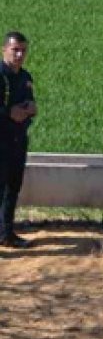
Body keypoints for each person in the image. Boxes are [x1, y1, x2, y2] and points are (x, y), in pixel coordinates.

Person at [1, 32, 36, 249]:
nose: (20, 54)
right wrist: (7, 113)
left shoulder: (25, 77)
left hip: (17, 140)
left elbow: (30, 102)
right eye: (15, 50)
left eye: (23, 50)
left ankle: (6, 233)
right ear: (4, 49)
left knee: (13, 186)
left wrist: (30, 109)